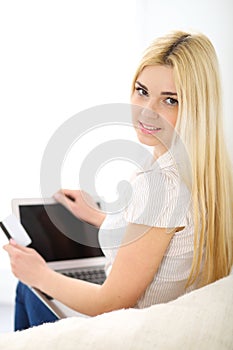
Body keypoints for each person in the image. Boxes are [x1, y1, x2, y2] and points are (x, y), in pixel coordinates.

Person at [4, 30, 233, 331]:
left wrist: (38, 274)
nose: (147, 112)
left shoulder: (161, 185)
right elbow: (159, 236)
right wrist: (98, 216)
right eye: (142, 91)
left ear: (197, 106)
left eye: (170, 100)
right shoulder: (206, 169)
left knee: (28, 289)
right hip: (168, 322)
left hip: (128, 330)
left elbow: (110, 302)